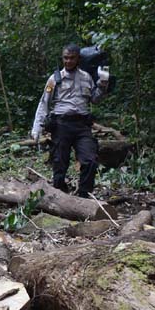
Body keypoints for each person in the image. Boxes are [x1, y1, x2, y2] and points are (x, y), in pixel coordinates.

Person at [30, 43, 110, 198]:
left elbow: (95, 99)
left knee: (90, 160)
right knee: (59, 163)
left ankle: (84, 196)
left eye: (72, 58)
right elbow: (44, 103)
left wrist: (102, 85)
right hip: (61, 125)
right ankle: (60, 195)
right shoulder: (54, 79)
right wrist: (37, 127)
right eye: (65, 58)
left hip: (82, 125)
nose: (68, 61)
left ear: (78, 59)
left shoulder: (86, 77)